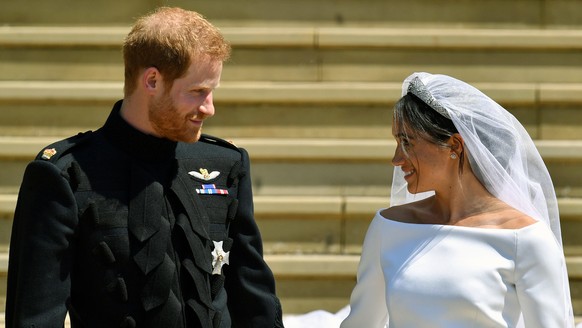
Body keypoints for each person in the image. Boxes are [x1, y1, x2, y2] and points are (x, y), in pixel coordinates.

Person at [6, 7, 284, 328]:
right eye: (197, 92)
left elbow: (255, 301)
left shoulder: (224, 164)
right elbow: (35, 317)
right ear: (152, 80)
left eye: (212, 92)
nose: (209, 108)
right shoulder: (66, 175)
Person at [340, 72, 574, 327]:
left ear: (454, 145)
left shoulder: (527, 239)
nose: (396, 159)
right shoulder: (388, 228)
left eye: (407, 142)